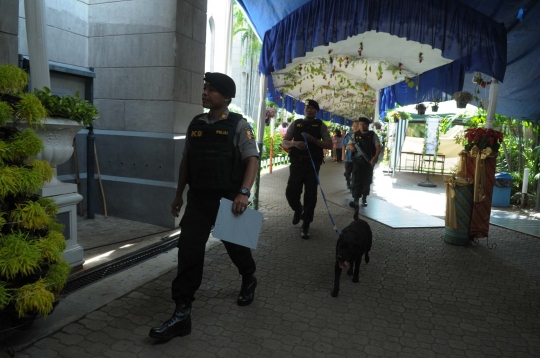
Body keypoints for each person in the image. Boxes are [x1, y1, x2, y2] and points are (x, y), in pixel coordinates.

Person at [149, 72, 259, 341]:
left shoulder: (239, 125)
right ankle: (182, 313)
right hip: (198, 199)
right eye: (205, 88)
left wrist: (244, 193)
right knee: (188, 251)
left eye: (211, 90)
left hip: (229, 199)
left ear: (226, 97)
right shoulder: (196, 123)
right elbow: (187, 161)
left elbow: (253, 159)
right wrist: (179, 196)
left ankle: (249, 277)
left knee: (237, 248)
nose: (205, 93)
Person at [281, 99, 333, 239]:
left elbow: (329, 145)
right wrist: (295, 143)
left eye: (312, 108)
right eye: (307, 107)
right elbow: (284, 141)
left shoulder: (320, 125)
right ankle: (298, 210)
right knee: (291, 192)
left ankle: (306, 225)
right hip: (297, 164)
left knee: (310, 196)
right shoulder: (296, 123)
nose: (309, 110)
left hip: (312, 165)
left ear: (317, 111)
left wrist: (314, 140)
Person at [347, 117, 381, 208]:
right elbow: (348, 145)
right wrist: (352, 147)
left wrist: (376, 156)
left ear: (368, 125)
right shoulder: (355, 135)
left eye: (364, 124)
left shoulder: (372, 135)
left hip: (368, 162)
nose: (362, 126)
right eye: (360, 124)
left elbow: (378, 146)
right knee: (356, 179)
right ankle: (356, 200)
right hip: (357, 162)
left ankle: (364, 198)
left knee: (367, 180)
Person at [342, 120, 360, 189]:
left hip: (358, 158)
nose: (355, 127)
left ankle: (352, 185)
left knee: (355, 173)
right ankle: (348, 182)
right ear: (352, 126)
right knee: (347, 173)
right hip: (349, 157)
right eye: (354, 126)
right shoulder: (348, 135)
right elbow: (343, 145)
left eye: (357, 126)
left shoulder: (361, 135)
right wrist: (343, 155)